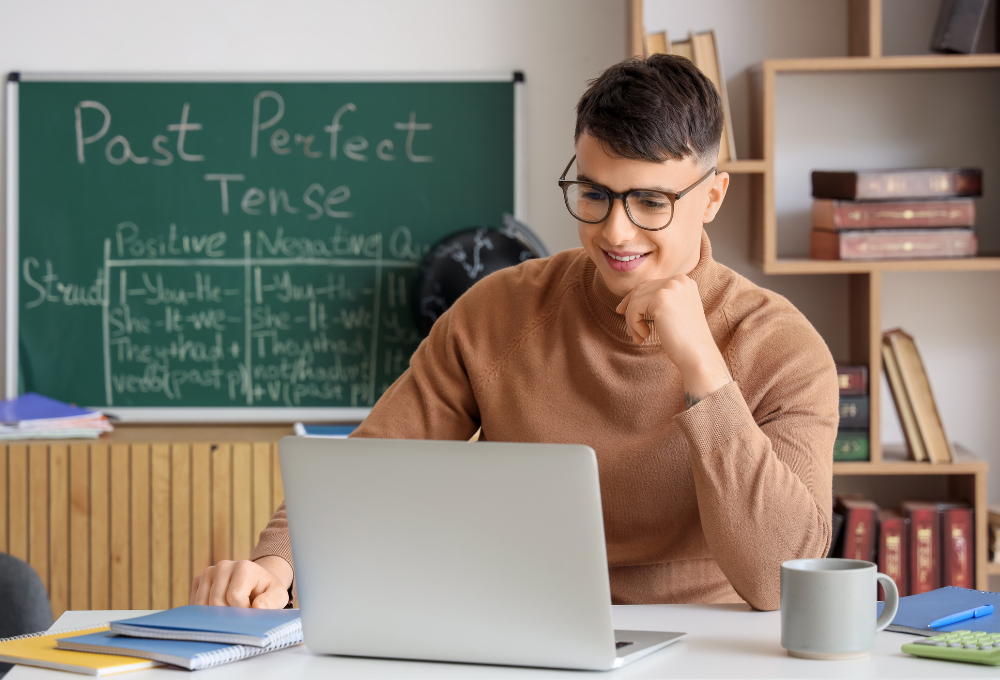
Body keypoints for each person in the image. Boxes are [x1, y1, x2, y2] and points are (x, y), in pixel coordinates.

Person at [190, 54, 839, 612]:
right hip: (524, 631)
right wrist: (278, 566)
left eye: (649, 202)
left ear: (712, 197)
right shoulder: (500, 310)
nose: (614, 232)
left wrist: (704, 369)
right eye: (593, 193)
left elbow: (779, 583)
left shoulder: (783, 347)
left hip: (713, 649)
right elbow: (369, 469)